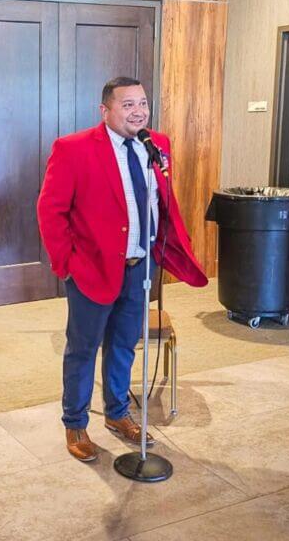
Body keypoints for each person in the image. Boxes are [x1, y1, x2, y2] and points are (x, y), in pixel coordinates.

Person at [36, 76, 207, 462]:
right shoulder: (73, 148)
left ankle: (117, 413)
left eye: (143, 103)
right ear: (106, 110)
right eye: (128, 104)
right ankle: (75, 422)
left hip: (139, 268)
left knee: (125, 344)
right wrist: (67, 264)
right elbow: (50, 211)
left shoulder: (155, 145)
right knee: (83, 349)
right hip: (91, 268)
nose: (138, 111)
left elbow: (160, 204)